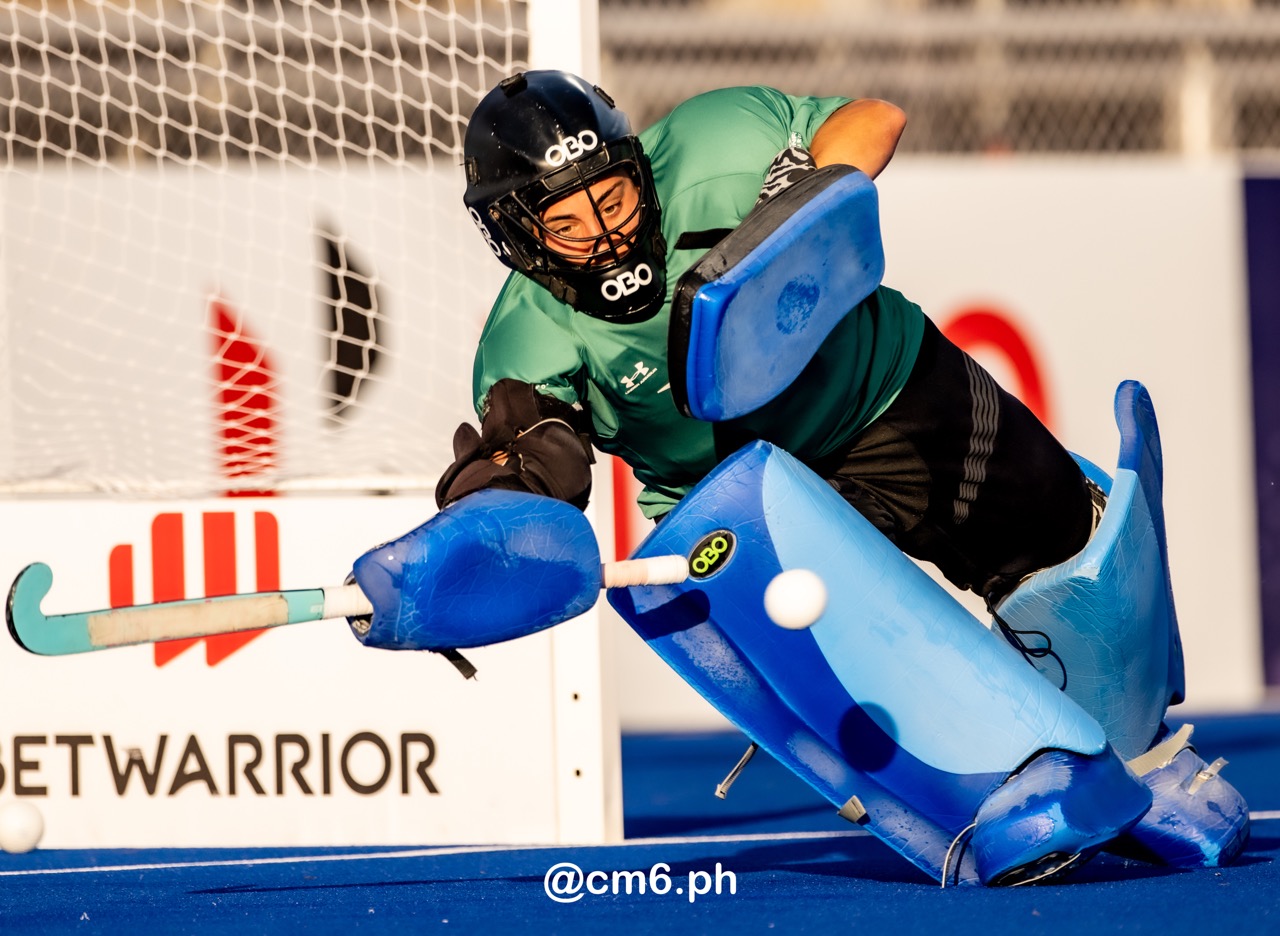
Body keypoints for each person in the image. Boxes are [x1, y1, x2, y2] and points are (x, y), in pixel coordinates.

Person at [441, 69, 1098, 610]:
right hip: (738, 500)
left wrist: (798, 193)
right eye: (570, 225)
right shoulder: (523, 346)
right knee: (860, 657)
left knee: (1070, 562)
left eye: (612, 202)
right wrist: (485, 528)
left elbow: (878, 119)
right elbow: (534, 471)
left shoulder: (715, 139)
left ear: (638, 168)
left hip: (890, 392)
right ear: (522, 241)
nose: (607, 236)